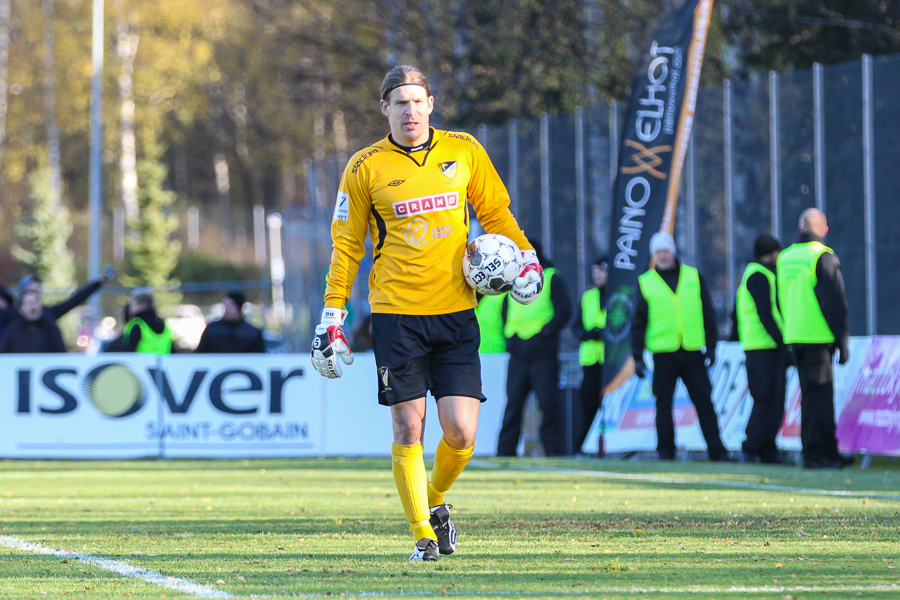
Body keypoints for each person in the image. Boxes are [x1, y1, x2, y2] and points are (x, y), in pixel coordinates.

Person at [309, 65, 541, 562]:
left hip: (457, 314)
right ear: (384, 109)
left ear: (431, 104)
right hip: (396, 317)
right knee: (407, 429)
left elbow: (496, 214)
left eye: (417, 101)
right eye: (400, 103)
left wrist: (526, 256)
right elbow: (346, 246)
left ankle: (434, 500)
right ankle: (422, 536)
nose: (410, 110)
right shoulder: (364, 166)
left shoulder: (464, 149)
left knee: (461, 433)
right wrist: (333, 314)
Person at [631, 231, 731, 462]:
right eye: (658, 253)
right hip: (663, 353)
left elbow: (708, 313)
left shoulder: (694, 277)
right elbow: (638, 322)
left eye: (665, 251)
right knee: (663, 405)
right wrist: (637, 356)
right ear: (653, 256)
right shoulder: (645, 282)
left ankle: (717, 450)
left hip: (692, 351)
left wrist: (712, 345)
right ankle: (666, 452)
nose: (663, 256)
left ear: (673, 252)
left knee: (704, 401)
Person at [776, 208, 854, 469]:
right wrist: (842, 339)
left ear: (800, 229)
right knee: (817, 398)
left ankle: (828, 452)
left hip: (796, 335)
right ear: (825, 230)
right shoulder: (822, 256)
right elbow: (834, 301)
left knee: (814, 395)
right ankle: (815, 454)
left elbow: (779, 298)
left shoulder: (785, 257)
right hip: (818, 336)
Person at [497, 239, 572, 457]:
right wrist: (510, 337)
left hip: (543, 354)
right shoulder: (512, 278)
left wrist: (545, 333)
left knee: (549, 405)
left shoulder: (551, 277)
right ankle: (505, 453)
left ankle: (554, 452)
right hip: (519, 353)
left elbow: (564, 311)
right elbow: (505, 310)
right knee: (512, 406)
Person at [735, 234, 792, 465]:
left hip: (766, 346)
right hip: (761, 347)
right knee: (765, 399)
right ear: (772, 253)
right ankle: (751, 447)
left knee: (775, 400)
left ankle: (768, 449)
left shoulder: (761, 273)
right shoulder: (758, 275)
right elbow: (766, 315)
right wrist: (783, 344)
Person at [572, 256, 608, 456]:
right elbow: (577, 326)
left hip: (611, 361)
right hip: (591, 360)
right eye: (594, 272)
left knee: (610, 405)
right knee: (588, 405)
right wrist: (589, 334)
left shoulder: (617, 296)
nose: (597, 276)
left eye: (600, 271)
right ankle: (582, 446)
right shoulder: (588, 297)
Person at [15, 264, 117, 323]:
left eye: (37, 291)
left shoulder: (48, 315)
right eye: (31, 291)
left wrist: (99, 282)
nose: (34, 296)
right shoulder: (11, 317)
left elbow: (75, 299)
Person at [194, 290, 266, 353]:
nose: (227, 309)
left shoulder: (252, 333)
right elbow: (200, 353)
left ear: (239, 307)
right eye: (225, 305)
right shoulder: (212, 329)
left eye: (231, 305)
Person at [0, 289, 67, 353]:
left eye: (36, 302)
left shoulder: (50, 327)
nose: (34, 307)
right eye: (29, 303)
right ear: (20, 309)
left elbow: (61, 352)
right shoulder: (12, 330)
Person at [123, 290, 173, 354]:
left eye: (132, 305)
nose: (129, 308)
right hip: (162, 363)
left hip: (140, 363)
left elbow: (128, 350)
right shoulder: (165, 325)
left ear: (142, 305)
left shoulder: (137, 324)